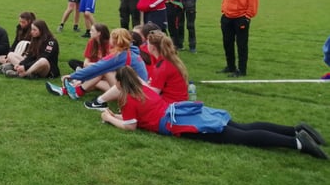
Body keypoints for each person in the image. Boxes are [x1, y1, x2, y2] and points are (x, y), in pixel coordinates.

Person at [100, 66, 327, 160]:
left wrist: (110, 118)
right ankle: (296, 129)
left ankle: (297, 142)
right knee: (242, 127)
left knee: (239, 137)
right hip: (180, 112)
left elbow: (131, 126)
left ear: (120, 83)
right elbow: (137, 119)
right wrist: (119, 117)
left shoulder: (128, 99)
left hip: (178, 123)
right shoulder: (144, 89)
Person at [46, 28, 147, 99]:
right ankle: (68, 91)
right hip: (138, 89)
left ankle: (75, 91)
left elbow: (97, 67)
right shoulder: (130, 51)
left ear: (115, 41)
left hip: (133, 93)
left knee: (103, 71)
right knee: (99, 76)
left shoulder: (120, 55)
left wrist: (72, 76)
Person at [218, 0, 259, 78]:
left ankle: (242, 69)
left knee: (241, 44)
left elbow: (253, 1)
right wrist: (223, 10)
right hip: (227, 16)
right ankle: (230, 66)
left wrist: (247, 16)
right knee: (227, 43)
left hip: (240, 17)